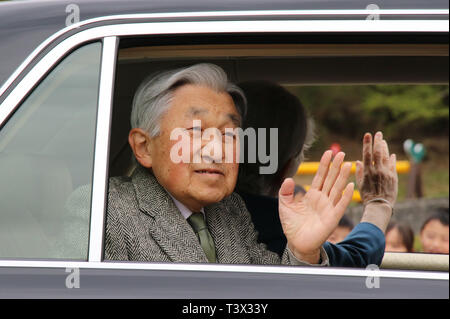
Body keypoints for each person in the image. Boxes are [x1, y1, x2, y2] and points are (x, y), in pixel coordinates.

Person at [105, 63, 397, 266]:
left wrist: (302, 251)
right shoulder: (104, 213)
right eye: (195, 131)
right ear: (144, 147)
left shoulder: (230, 211)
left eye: (229, 134)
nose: (216, 150)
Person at [236, 81, 398, 267]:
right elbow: (354, 261)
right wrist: (379, 204)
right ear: (287, 166)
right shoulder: (281, 227)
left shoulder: (201, 212)